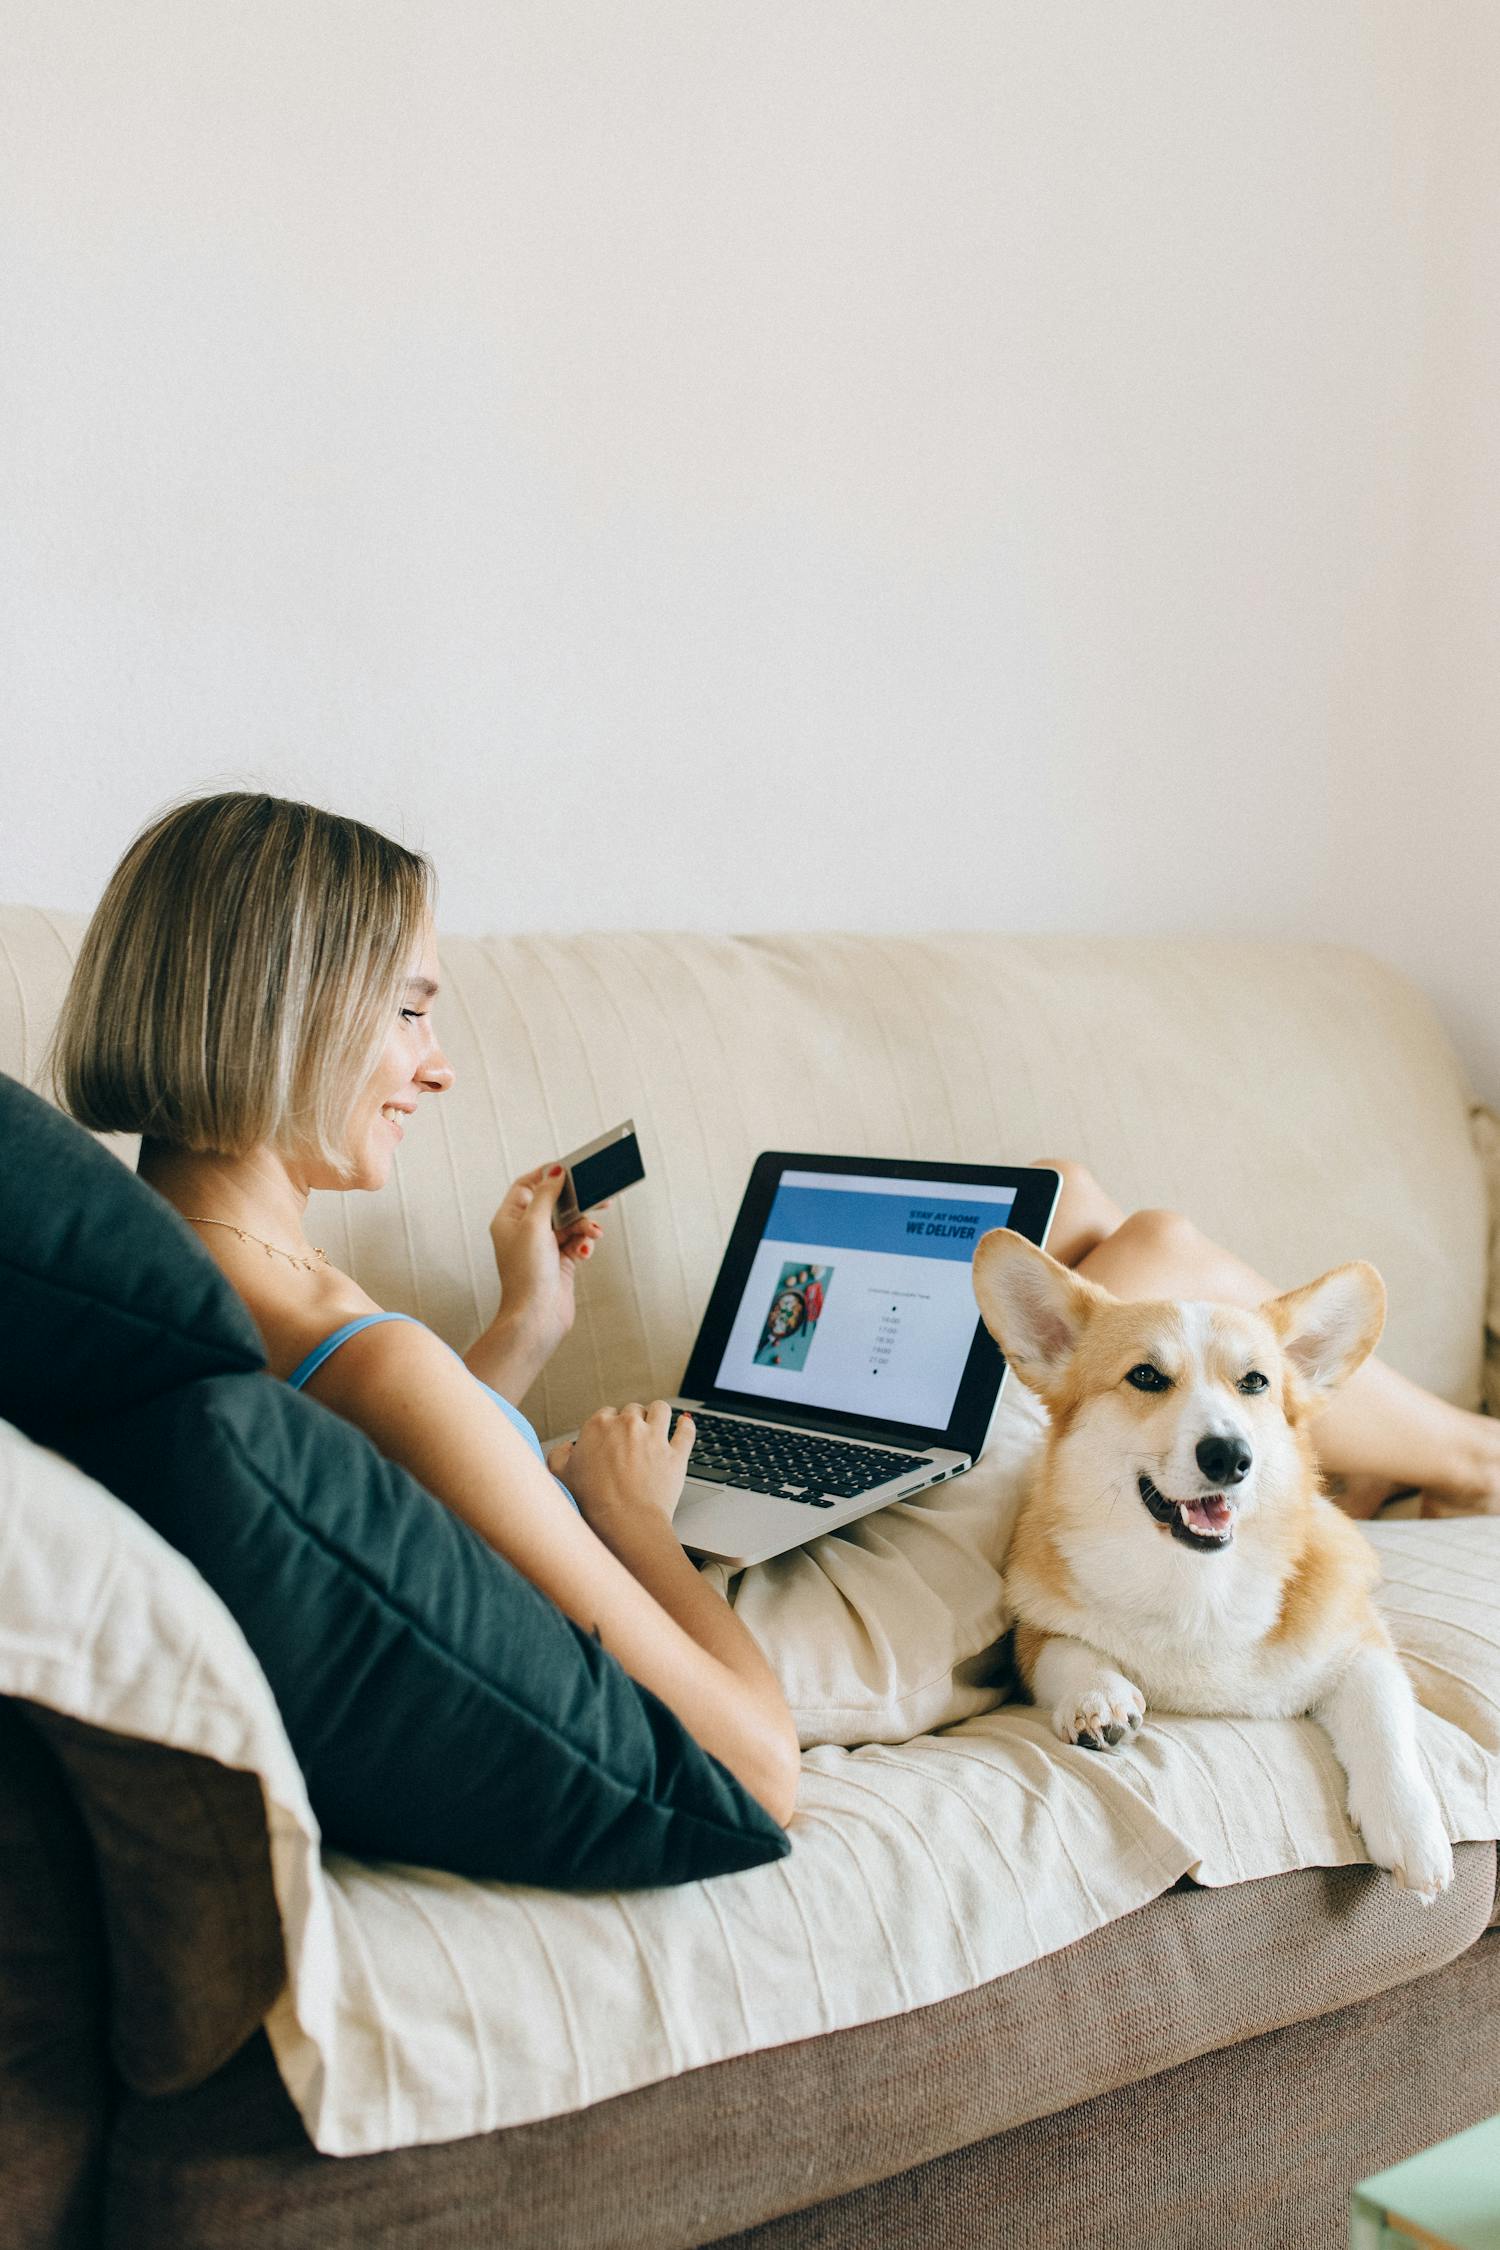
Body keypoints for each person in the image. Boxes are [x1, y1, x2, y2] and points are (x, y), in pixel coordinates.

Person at [50, 793, 802, 1830]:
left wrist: (524, 1329)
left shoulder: (162, 1270)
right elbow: (759, 1769)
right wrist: (634, 1518)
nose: (437, 1067)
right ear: (284, 1008)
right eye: (409, 1012)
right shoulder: (353, 1348)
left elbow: (388, 1486)